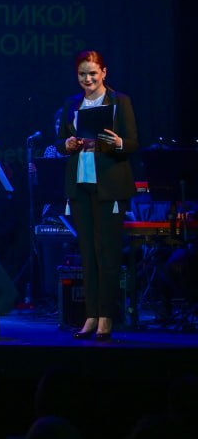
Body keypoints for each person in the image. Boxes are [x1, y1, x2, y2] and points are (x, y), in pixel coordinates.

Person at [58, 49, 138, 340]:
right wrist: (67, 144)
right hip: (81, 184)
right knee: (87, 253)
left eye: (92, 73)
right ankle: (90, 316)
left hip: (110, 186)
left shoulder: (120, 101)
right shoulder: (72, 104)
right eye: (82, 74)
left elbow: (132, 143)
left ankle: (107, 317)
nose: (88, 79)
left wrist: (118, 142)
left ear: (104, 72)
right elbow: (61, 139)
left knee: (108, 254)